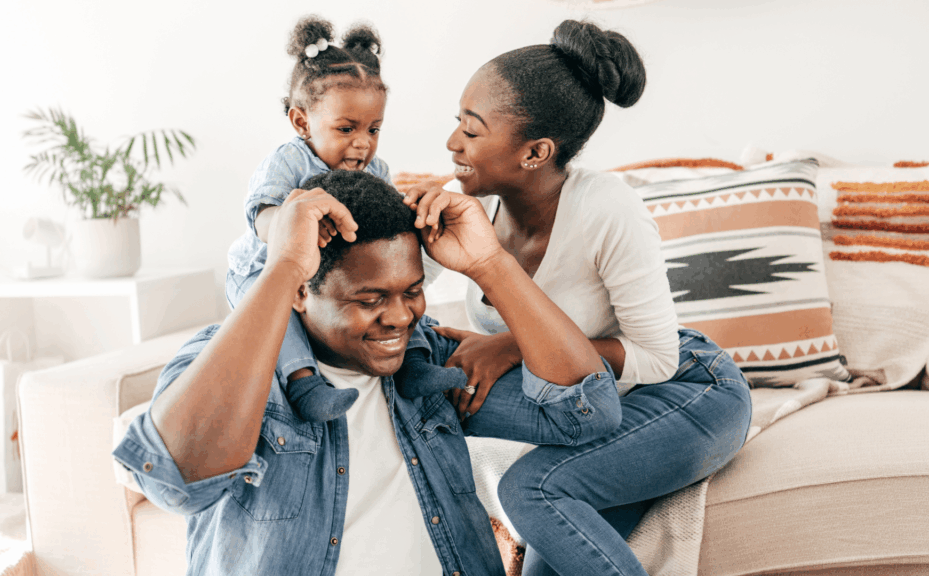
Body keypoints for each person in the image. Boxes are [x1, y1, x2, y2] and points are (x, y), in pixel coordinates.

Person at [113, 169, 626, 575]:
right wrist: (283, 265)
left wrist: (491, 261)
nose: (401, 316)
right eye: (370, 298)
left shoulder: (427, 362)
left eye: (412, 291)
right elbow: (176, 482)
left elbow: (588, 412)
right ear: (300, 293)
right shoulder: (236, 365)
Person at [403, 19, 753, 576]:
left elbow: (658, 357)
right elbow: (388, 290)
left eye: (472, 131)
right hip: (593, 409)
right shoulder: (468, 209)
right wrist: (393, 218)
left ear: (536, 151)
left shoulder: (605, 208)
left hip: (685, 393)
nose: (452, 144)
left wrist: (513, 346)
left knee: (531, 491)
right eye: (456, 124)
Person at [225, 16, 460, 423]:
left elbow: (387, 224)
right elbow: (262, 215)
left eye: (374, 129)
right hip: (264, 268)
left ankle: (417, 366)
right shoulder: (290, 161)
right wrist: (292, 228)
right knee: (276, 322)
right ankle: (304, 383)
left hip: (330, 279)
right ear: (302, 122)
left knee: (398, 298)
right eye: (347, 128)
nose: (362, 143)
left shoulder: (376, 169)